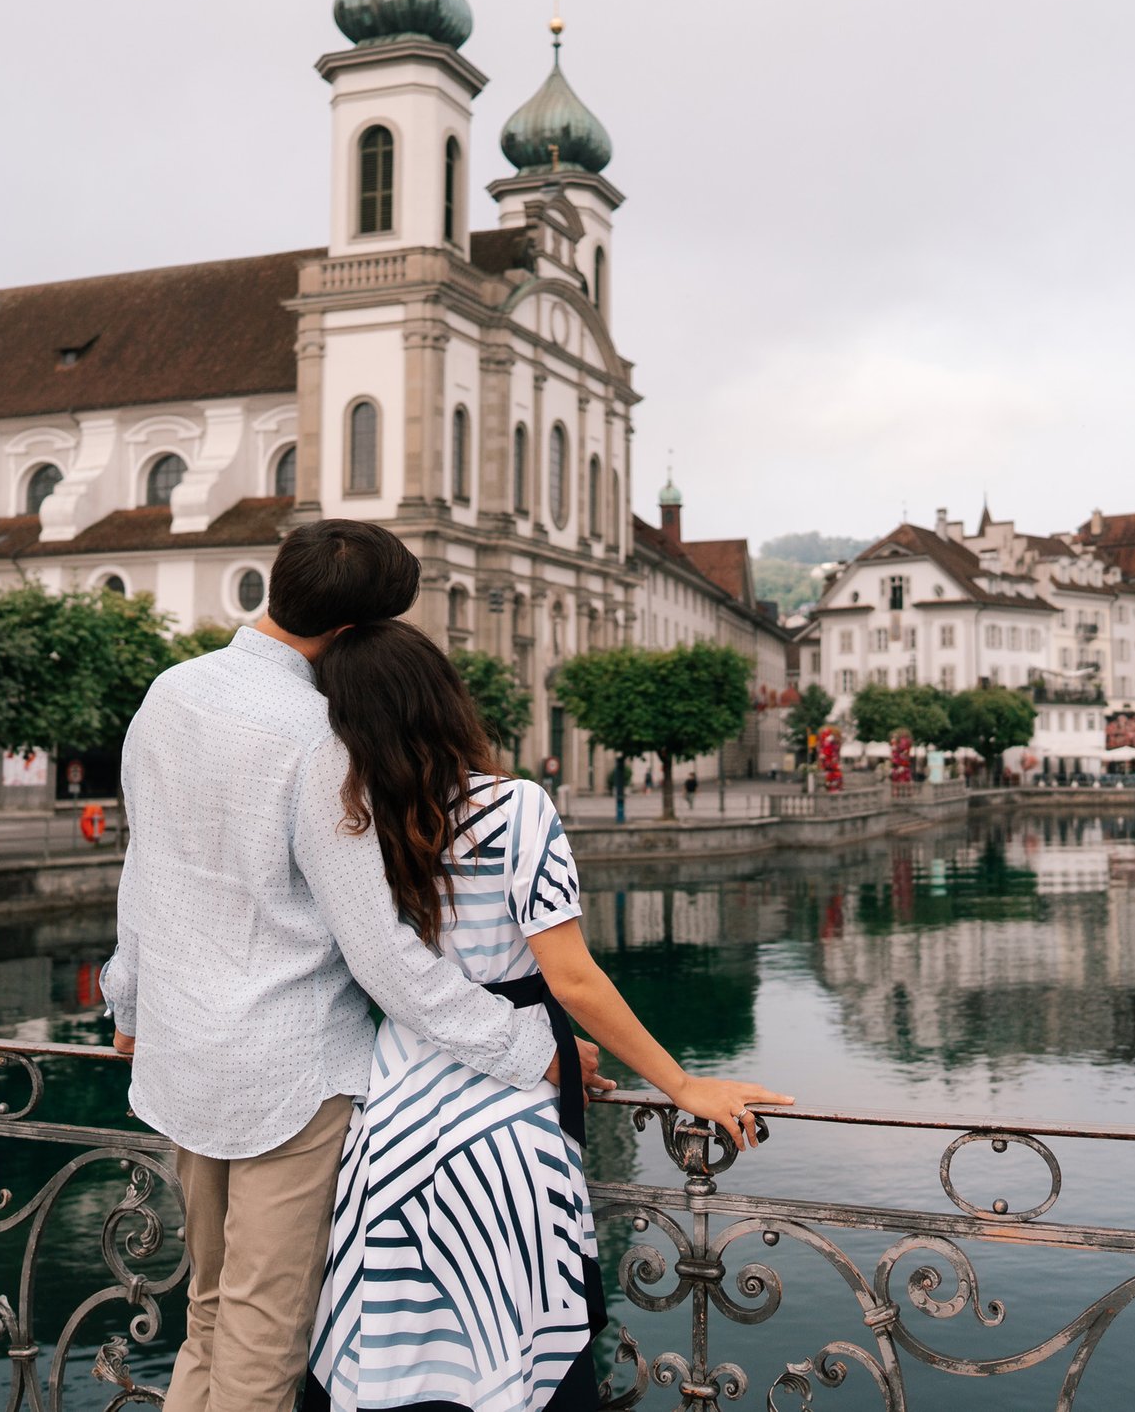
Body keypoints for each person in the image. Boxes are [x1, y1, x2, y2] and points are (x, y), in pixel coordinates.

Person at [102, 521, 602, 1412]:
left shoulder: (169, 692)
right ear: (350, 636)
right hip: (289, 1074)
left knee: (207, 1318)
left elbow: (147, 868)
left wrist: (128, 1001)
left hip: (179, 1054)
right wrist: (534, 1046)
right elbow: (383, 957)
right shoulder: (319, 737)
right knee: (262, 1345)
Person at [305, 621, 789, 1412]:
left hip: (389, 1118)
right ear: (443, 700)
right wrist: (680, 1081)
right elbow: (574, 980)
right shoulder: (515, 807)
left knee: (391, 1359)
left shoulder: (352, 824)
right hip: (504, 1125)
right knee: (514, 1360)